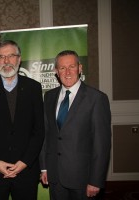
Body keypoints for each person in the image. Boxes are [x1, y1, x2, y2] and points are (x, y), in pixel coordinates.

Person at [0, 40, 45, 200]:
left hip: (26, 170)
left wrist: (24, 162)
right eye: (1, 57)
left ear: (19, 59)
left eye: (11, 56)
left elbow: (39, 131)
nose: (6, 61)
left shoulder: (34, 88)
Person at [40, 50, 111, 200]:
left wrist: (95, 180)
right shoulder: (49, 96)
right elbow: (46, 135)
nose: (67, 72)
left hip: (83, 179)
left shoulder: (96, 99)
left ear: (80, 68)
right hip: (55, 176)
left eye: (71, 66)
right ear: (56, 71)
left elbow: (101, 144)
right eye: (62, 68)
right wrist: (44, 167)